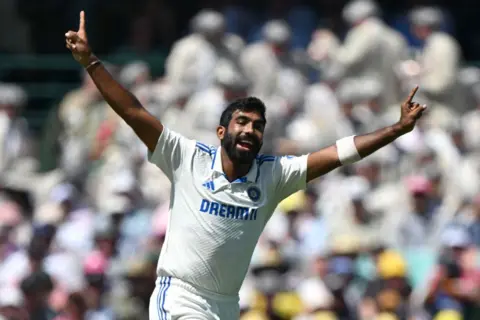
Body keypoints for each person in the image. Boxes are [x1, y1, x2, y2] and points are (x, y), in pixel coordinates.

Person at [65, 11, 427, 320]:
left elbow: (338, 153)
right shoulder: (187, 157)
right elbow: (133, 112)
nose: (250, 130)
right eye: (241, 122)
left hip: (225, 305)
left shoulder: (273, 175)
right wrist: (92, 63)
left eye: (257, 126)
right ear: (222, 130)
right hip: (179, 297)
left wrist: (395, 130)